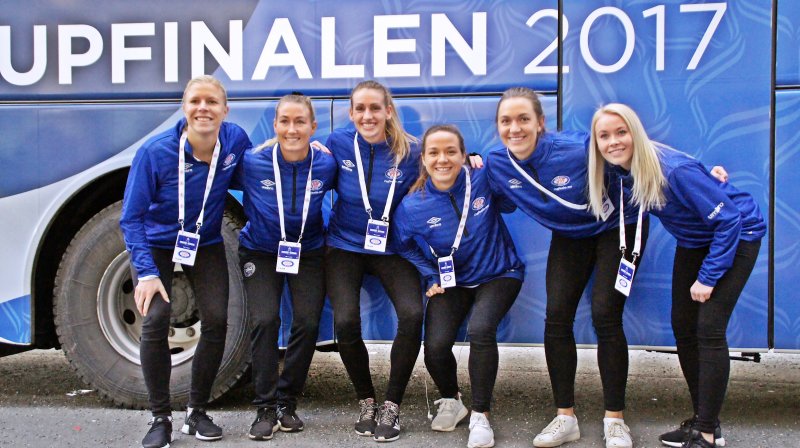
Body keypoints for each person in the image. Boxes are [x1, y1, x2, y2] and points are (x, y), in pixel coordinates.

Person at [586, 103, 765, 448]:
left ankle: (708, 434)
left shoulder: (672, 169)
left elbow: (729, 219)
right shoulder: (624, 169)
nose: (613, 142)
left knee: (708, 328)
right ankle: (703, 419)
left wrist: (709, 277)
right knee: (683, 326)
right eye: (604, 136)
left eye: (621, 132)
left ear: (635, 132)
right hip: (695, 240)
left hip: (738, 235)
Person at [483, 87, 648, 448]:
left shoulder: (577, 147)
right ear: (497, 127)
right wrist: (470, 161)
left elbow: (641, 153)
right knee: (556, 317)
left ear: (540, 123)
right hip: (571, 235)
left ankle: (615, 419)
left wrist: (706, 175)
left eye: (524, 119)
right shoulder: (496, 163)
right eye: (506, 121)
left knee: (606, 314)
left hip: (615, 227)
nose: (515, 128)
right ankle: (565, 417)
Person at [120, 75, 252, 448]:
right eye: (195, 101)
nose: (203, 108)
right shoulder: (156, 152)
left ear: (225, 110)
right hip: (157, 244)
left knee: (216, 319)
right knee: (157, 319)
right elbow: (130, 218)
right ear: (184, 107)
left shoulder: (235, 140)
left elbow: (257, 172)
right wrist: (145, 272)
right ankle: (160, 417)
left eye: (212, 102)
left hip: (204, 240)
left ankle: (196, 412)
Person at [392, 125, 524, 448]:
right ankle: (452, 399)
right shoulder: (412, 205)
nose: (443, 159)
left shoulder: (480, 177)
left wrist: (489, 174)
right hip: (454, 281)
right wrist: (430, 272)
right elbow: (401, 243)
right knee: (435, 346)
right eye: (434, 153)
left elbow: (509, 205)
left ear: (464, 155)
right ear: (423, 159)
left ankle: (481, 415)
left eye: (451, 151)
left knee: (480, 329)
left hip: (500, 273)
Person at [324, 80, 424, 442]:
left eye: (375, 108)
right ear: (351, 113)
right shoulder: (336, 144)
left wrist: (473, 155)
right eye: (360, 109)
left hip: (392, 248)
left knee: (413, 313)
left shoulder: (411, 151)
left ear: (388, 111)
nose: (368, 116)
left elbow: (447, 163)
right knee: (346, 321)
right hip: (345, 245)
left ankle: (392, 405)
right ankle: (366, 399)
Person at [234, 93, 337, 440]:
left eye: (299, 122)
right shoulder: (252, 161)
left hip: (306, 251)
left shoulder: (326, 163)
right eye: (285, 121)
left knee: (308, 323)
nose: (292, 129)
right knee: (266, 320)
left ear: (313, 126)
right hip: (261, 251)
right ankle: (264, 407)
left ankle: (286, 402)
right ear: (275, 125)